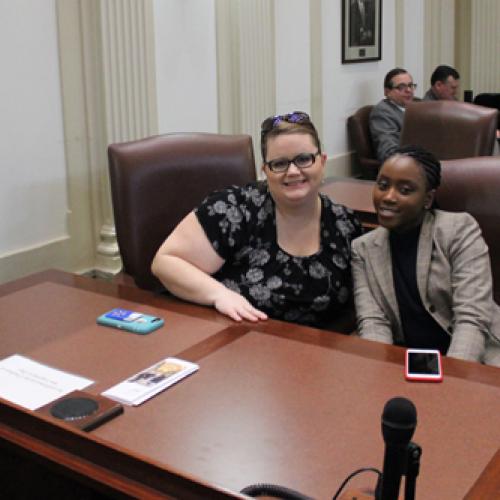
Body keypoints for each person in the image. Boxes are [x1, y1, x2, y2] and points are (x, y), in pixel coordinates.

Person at [151, 111, 362, 327]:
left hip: (316, 353)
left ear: (322, 161)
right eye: (279, 163)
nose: (293, 171)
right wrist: (219, 295)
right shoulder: (234, 211)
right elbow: (165, 262)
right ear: (265, 171)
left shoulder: (345, 224)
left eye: (303, 159)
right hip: (238, 343)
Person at [351, 145, 500, 365]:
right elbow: (373, 322)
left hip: (477, 357)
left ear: (428, 199)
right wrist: (379, 372)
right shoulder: (363, 249)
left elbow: (472, 319)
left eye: (405, 190)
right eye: (383, 185)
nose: (389, 197)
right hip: (409, 361)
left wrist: (453, 378)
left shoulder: (458, 230)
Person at [369, 68, 417, 163]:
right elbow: (388, 152)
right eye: (401, 87)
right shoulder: (382, 113)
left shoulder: (418, 104)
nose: (408, 90)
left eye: (411, 85)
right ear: (387, 92)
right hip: (409, 165)